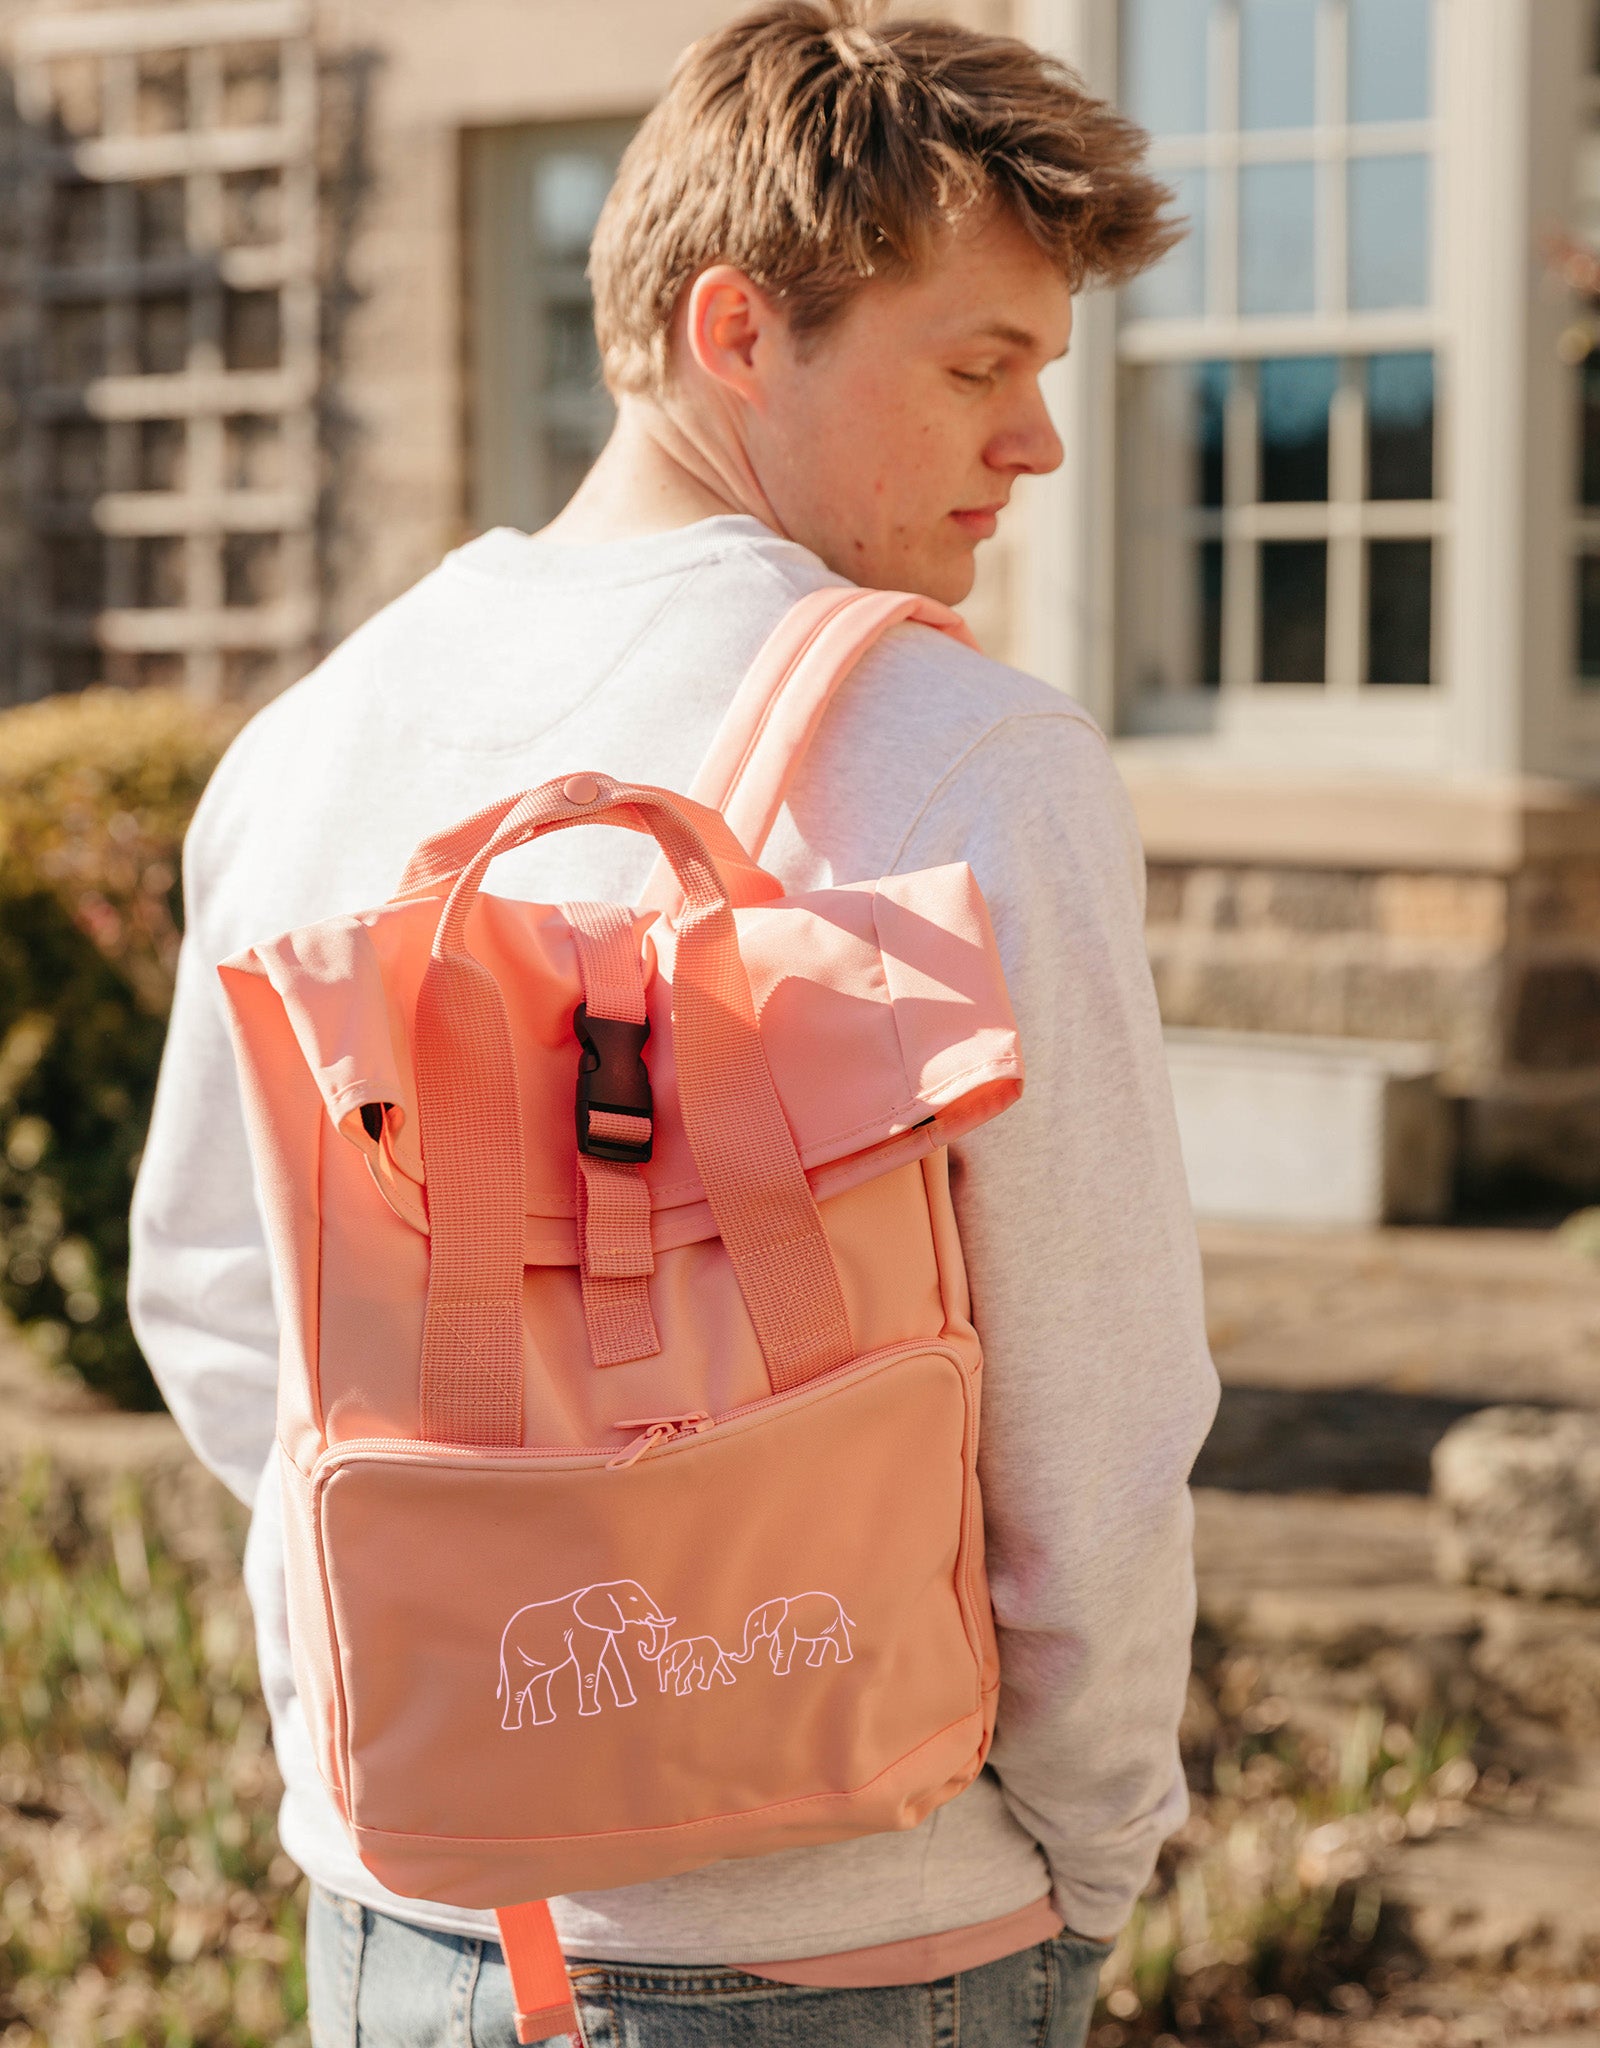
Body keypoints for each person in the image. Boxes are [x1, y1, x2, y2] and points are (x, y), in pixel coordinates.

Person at [129, 5, 1219, 2044]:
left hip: (409, 1904)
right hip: (853, 1922)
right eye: (977, 365)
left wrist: (488, 1632)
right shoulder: (966, 752)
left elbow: (210, 1305)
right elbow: (1095, 1406)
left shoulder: (310, 741)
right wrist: (1083, 1852)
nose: (1035, 443)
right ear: (738, 332)